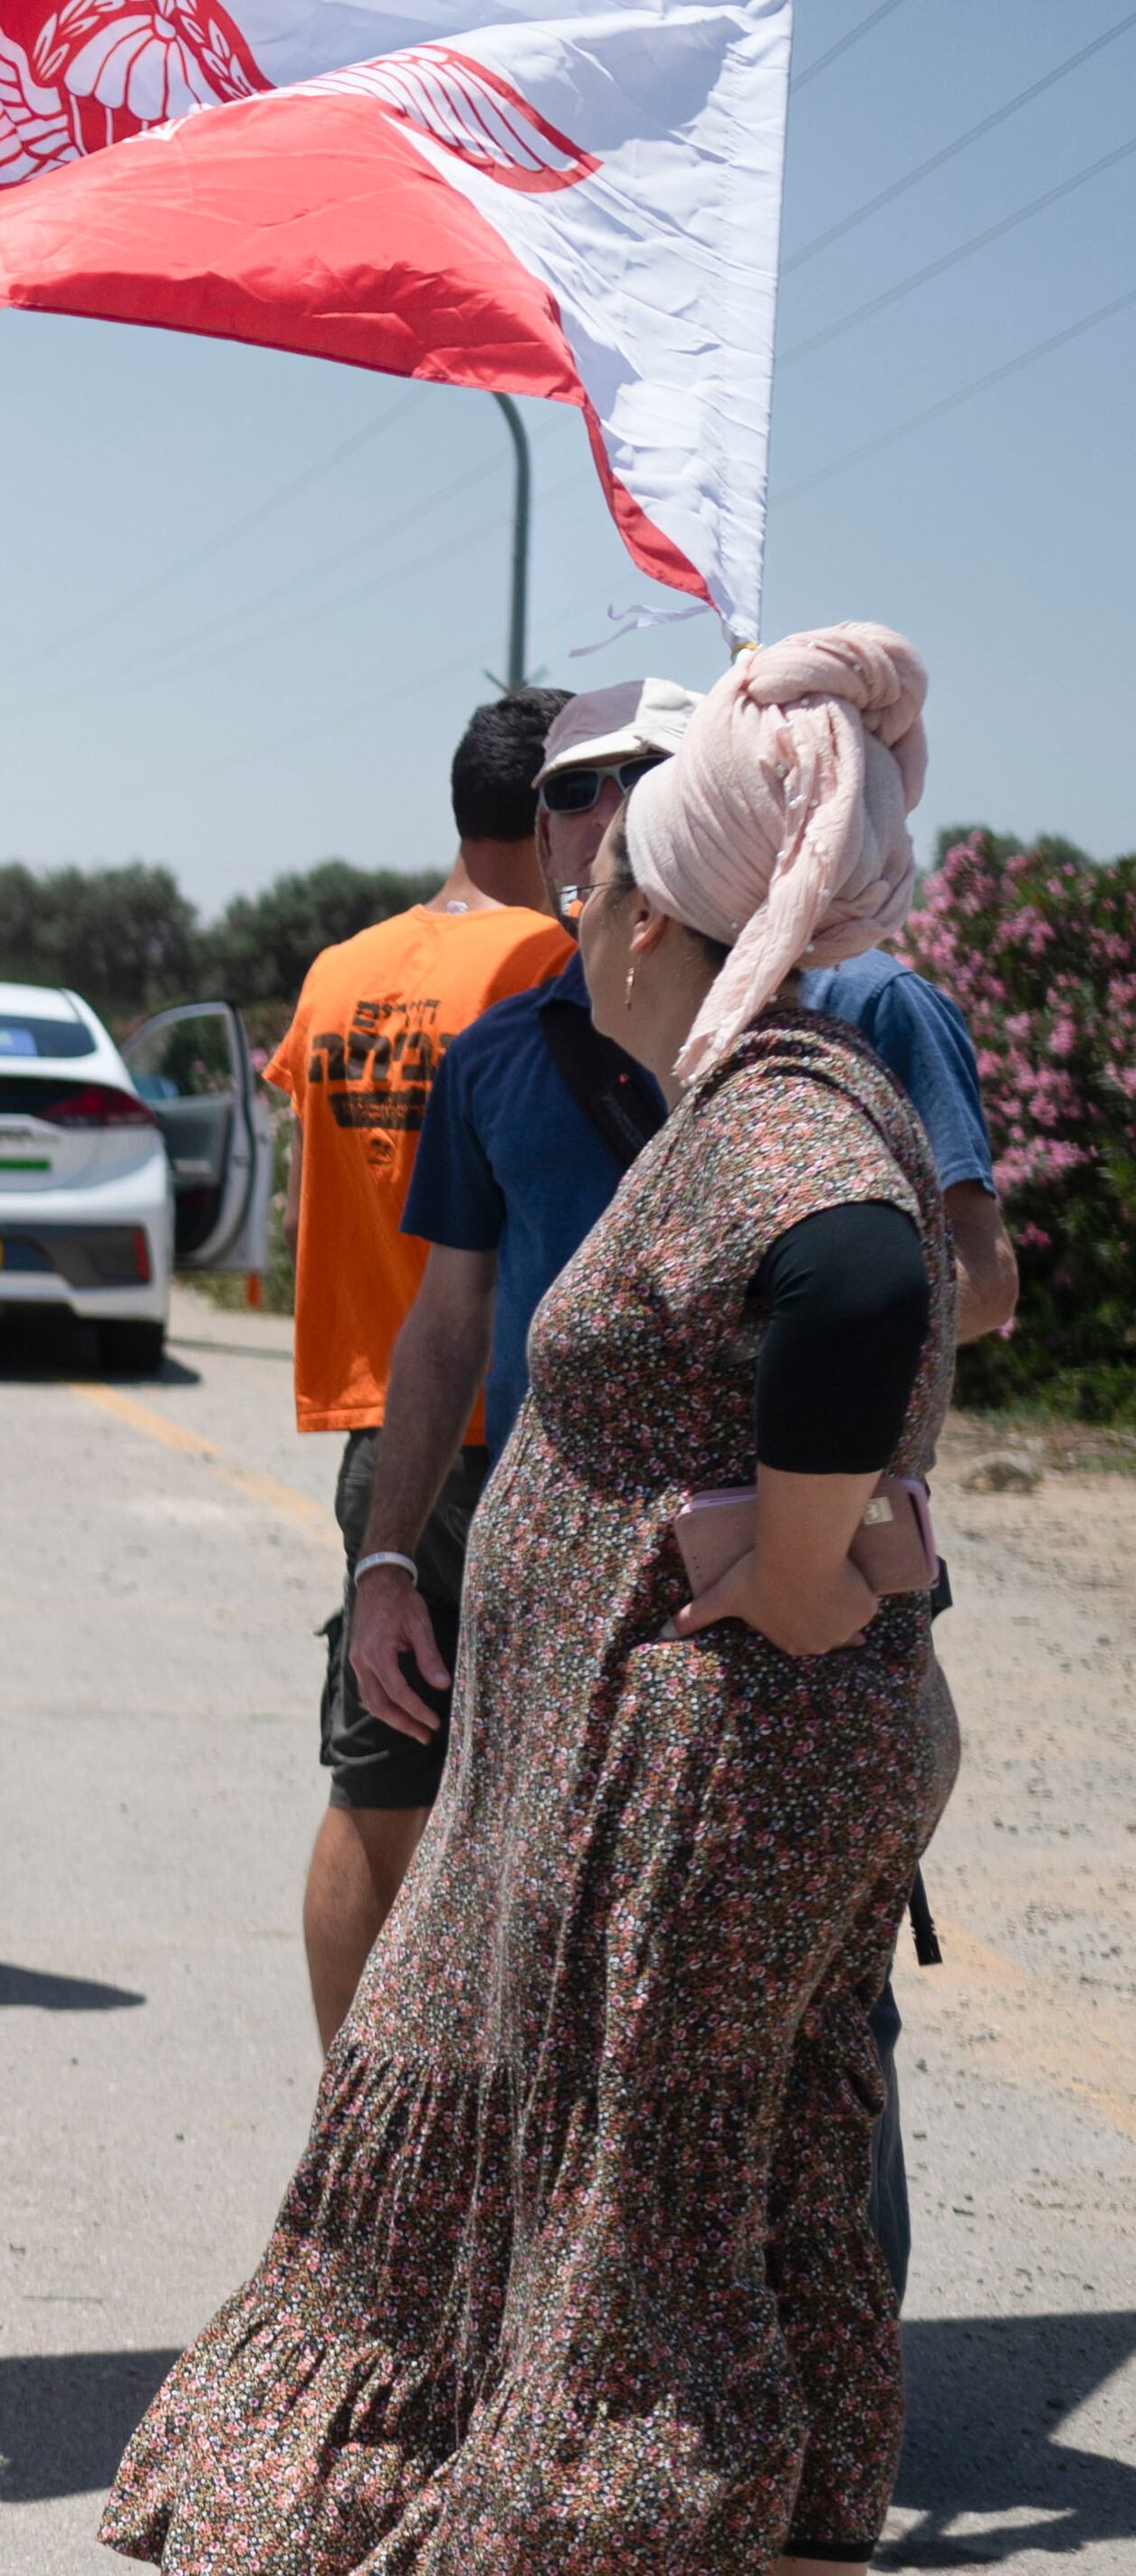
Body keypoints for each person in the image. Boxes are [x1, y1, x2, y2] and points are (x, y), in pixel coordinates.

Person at [109, 625, 950, 2576]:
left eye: (601, 887)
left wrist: (781, 1550)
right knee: (774, 2190)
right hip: (745, 1765)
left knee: (649, 2217)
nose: (566, 913)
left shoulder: (767, 1107)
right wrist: (785, 1530)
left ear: (670, 915)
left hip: (709, 1780)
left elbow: (867, 1287)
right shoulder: (756, 1080)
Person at [357, 674, 1021, 2290]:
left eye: (636, 793)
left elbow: (945, 1281)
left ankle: (783, 2427)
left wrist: (797, 1525)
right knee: (599, 2037)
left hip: (740, 1656)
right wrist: (388, 1558)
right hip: (572, 1652)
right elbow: (444, 1322)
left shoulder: (851, 1022)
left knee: (786, 2064)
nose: (596, 830)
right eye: (572, 798)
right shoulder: (509, 1050)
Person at [269, 692, 575, 2043]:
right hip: (503, 1423)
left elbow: (311, 1182)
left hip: (376, 1430)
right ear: (561, 807)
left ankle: (354, 2131)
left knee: (371, 1782)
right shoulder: (548, 960)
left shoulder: (340, 968)